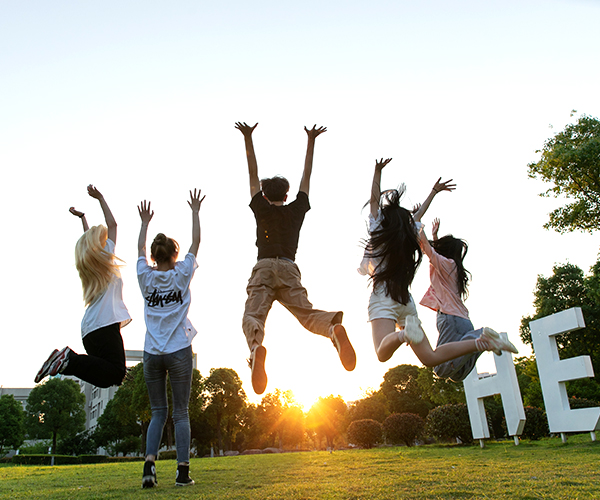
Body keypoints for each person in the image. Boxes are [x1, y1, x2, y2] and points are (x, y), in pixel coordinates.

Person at [235, 121, 356, 395]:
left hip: (264, 268)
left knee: (253, 315)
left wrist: (248, 137)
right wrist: (311, 141)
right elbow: (306, 175)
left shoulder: (261, 208)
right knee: (307, 314)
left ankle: (255, 349)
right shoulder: (297, 209)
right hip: (289, 269)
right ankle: (333, 328)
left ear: (264, 195)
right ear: (287, 195)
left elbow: (252, 173)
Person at [359, 158, 517, 367]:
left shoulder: (380, 232)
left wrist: (377, 171)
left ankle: (404, 334)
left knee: (382, 353)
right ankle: (483, 342)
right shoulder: (408, 236)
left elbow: (373, 201)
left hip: (383, 297)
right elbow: (418, 215)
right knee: (430, 358)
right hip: (405, 301)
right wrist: (433, 192)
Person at [137, 189, 204, 488]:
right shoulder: (182, 274)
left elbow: (139, 249)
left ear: (154, 256)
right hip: (178, 350)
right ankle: (182, 473)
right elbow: (196, 243)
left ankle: (149, 467)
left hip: (151, 352)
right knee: (180, 413)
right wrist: (195, 211)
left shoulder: (145, 276)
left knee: (157, 413)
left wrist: (144, 223)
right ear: (174, 256)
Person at [34, 185, 131, 387]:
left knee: (108, 378)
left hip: (89, 331)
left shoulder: (90, 266)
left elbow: (89, 242)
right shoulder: (106, 258)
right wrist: (101, 198)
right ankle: (69, 359)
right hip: (104, 324)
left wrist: (83, 218)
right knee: (116, 373)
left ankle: (65, 363)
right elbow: (113, 225)